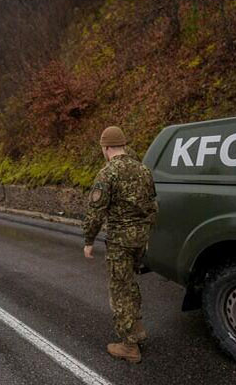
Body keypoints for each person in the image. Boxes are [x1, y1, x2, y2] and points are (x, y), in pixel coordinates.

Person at [82, 126, 158, 364]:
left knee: (120, 290)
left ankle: (129, 345)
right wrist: (144, 231)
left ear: (106, 148)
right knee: (130, 284)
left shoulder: (107, 174)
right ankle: (136, 329)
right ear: (124, 145)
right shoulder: (143, 170)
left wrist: (88, 240)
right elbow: (153, 205)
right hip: (140, 240)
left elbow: (95, 212)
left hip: (120, 242)